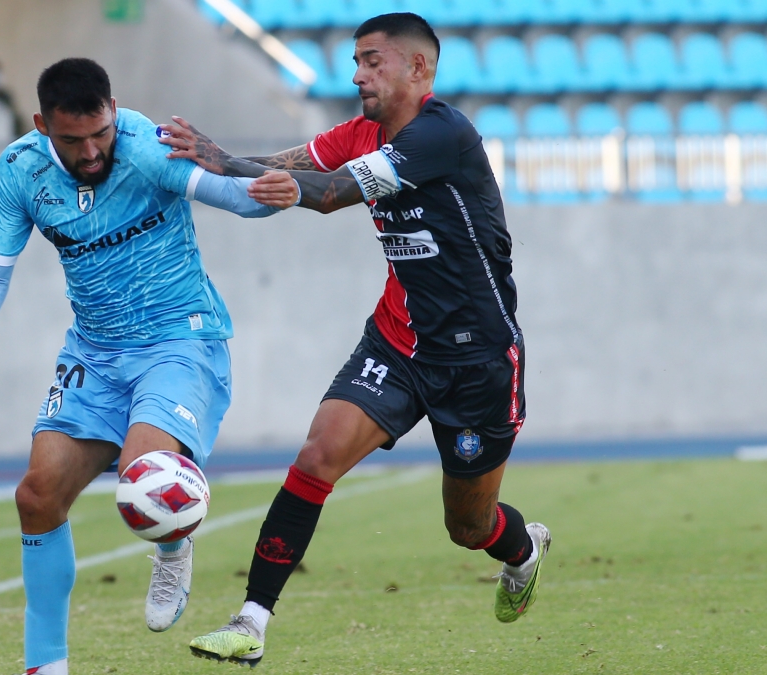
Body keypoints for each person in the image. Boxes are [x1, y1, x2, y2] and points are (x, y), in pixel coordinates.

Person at [161, 13, 551, 666]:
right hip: (397, 343)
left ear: (418, 69)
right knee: (318, 455)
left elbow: (333, 191)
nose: (357, 74)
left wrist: (262, 175)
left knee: (468, 526)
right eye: (356, 61)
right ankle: (251, 620)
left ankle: (522, 550)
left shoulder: (443, 135)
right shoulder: (359, 133)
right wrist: (219, 159)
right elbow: (289, 167)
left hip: (477, 360)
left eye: (373, 61)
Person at [0, 58, 298, 675]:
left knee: (144, 472)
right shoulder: (20, 169)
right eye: (72, 139)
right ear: (41, 125)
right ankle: (46, 665)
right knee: (36, 496)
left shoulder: (144, 146)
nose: (91, 151)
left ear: (114, 111)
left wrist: (282, 188)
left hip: (178, 338)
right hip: (95, 354)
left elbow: (241, 203)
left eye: (100, 133)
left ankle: (172, 543)